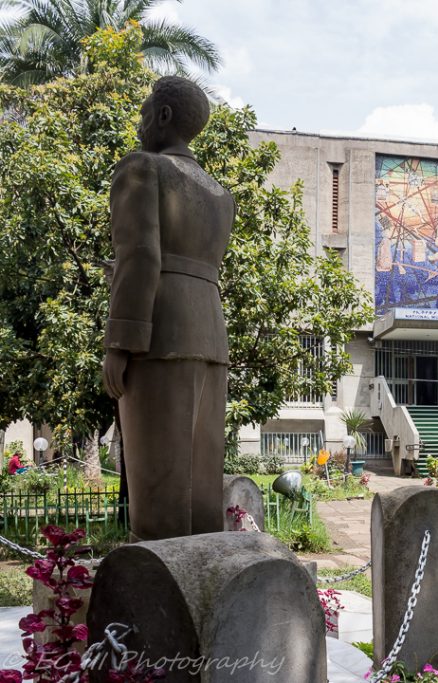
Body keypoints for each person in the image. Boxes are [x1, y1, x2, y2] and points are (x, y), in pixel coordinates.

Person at [102, 76, 235, 541]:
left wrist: (120, 342)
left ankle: (153, 597)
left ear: (163, 116)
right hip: (210, 332)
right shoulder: (221, 195)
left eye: (144, 113)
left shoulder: (143, 168)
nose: (140, 124)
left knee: (156, 483)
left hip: (158, 331)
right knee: (199, 481)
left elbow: (139, 257)